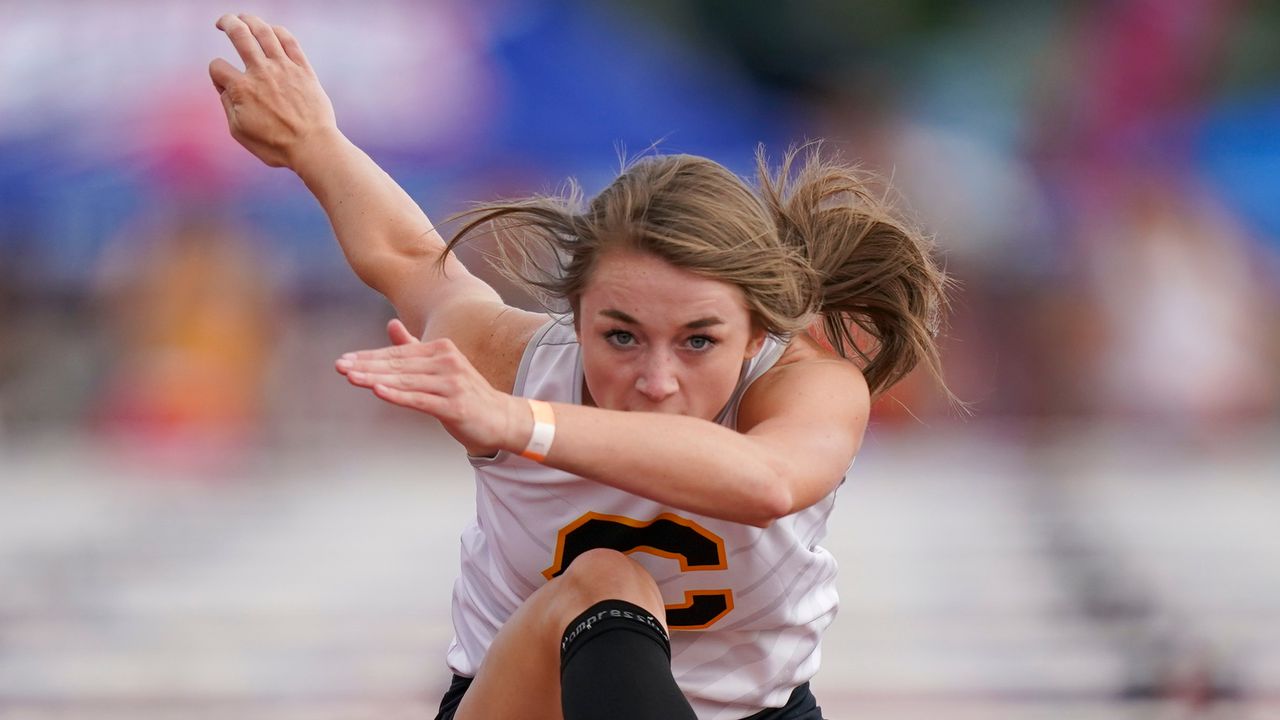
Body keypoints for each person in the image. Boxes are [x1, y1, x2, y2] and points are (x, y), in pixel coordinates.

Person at [210, 13, 949, 720]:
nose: (656, 379)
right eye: (620, 337)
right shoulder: (513, 363)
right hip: (524, 706)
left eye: (698, 341)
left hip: (755, 713)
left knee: (611, 577)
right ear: (575, 316)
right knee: (601, 582)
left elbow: (766, 482)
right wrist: (315, 142)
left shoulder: (804, 385)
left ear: (757, 335)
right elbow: (408, 256)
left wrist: (520, 424)